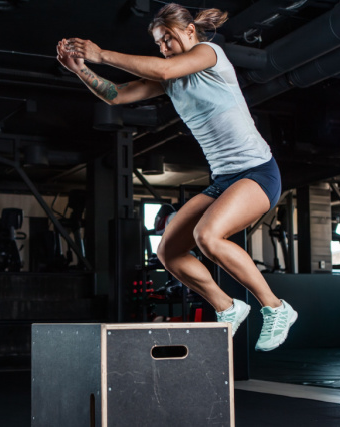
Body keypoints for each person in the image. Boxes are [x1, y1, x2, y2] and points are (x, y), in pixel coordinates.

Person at [56, 3, 297, 351]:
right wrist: (81, 69)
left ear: (189, 32)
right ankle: (228, 307)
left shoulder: (209, 54)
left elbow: (167, 70)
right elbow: (117, 95)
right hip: (224, 179)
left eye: (169, 38)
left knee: (208, 237)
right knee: (169, 251)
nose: (165, 47)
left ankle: (276, 308)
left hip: (258, 172)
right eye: (159, 43)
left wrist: (101, 53)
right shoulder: (169, 79)